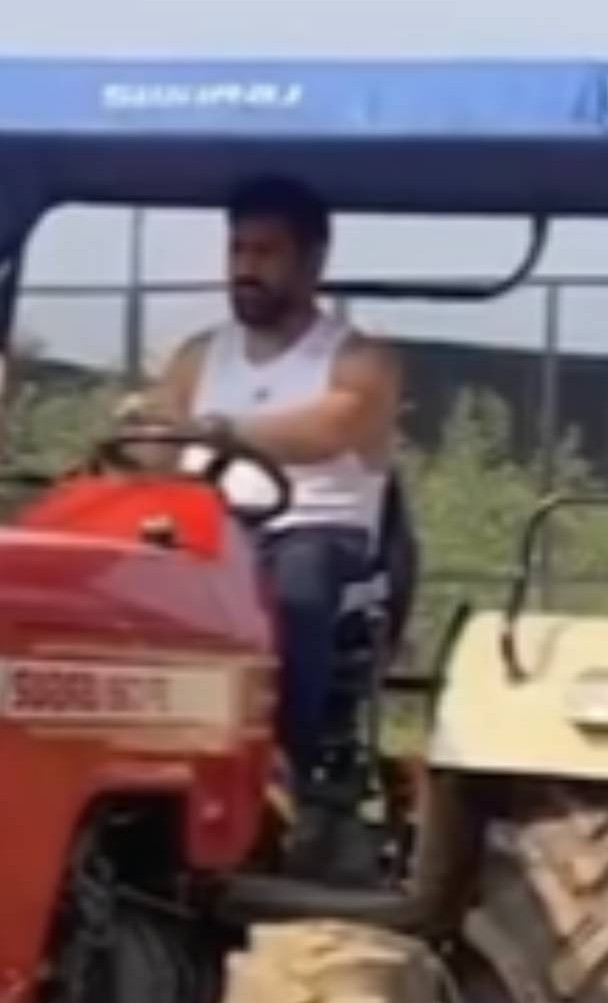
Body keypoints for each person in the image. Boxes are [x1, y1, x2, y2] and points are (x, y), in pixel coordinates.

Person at [124, 176, 405, 798]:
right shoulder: (199, 356)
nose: (245, 268)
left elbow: (330, 428)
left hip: (316, 531)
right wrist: (137, 436)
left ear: (312, 261)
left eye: (265, 253)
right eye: (237, 251)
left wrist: (216, 429)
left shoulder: (359, 360)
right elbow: (158, 438)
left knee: (293, 586)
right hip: (210, 526)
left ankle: (281, 766)